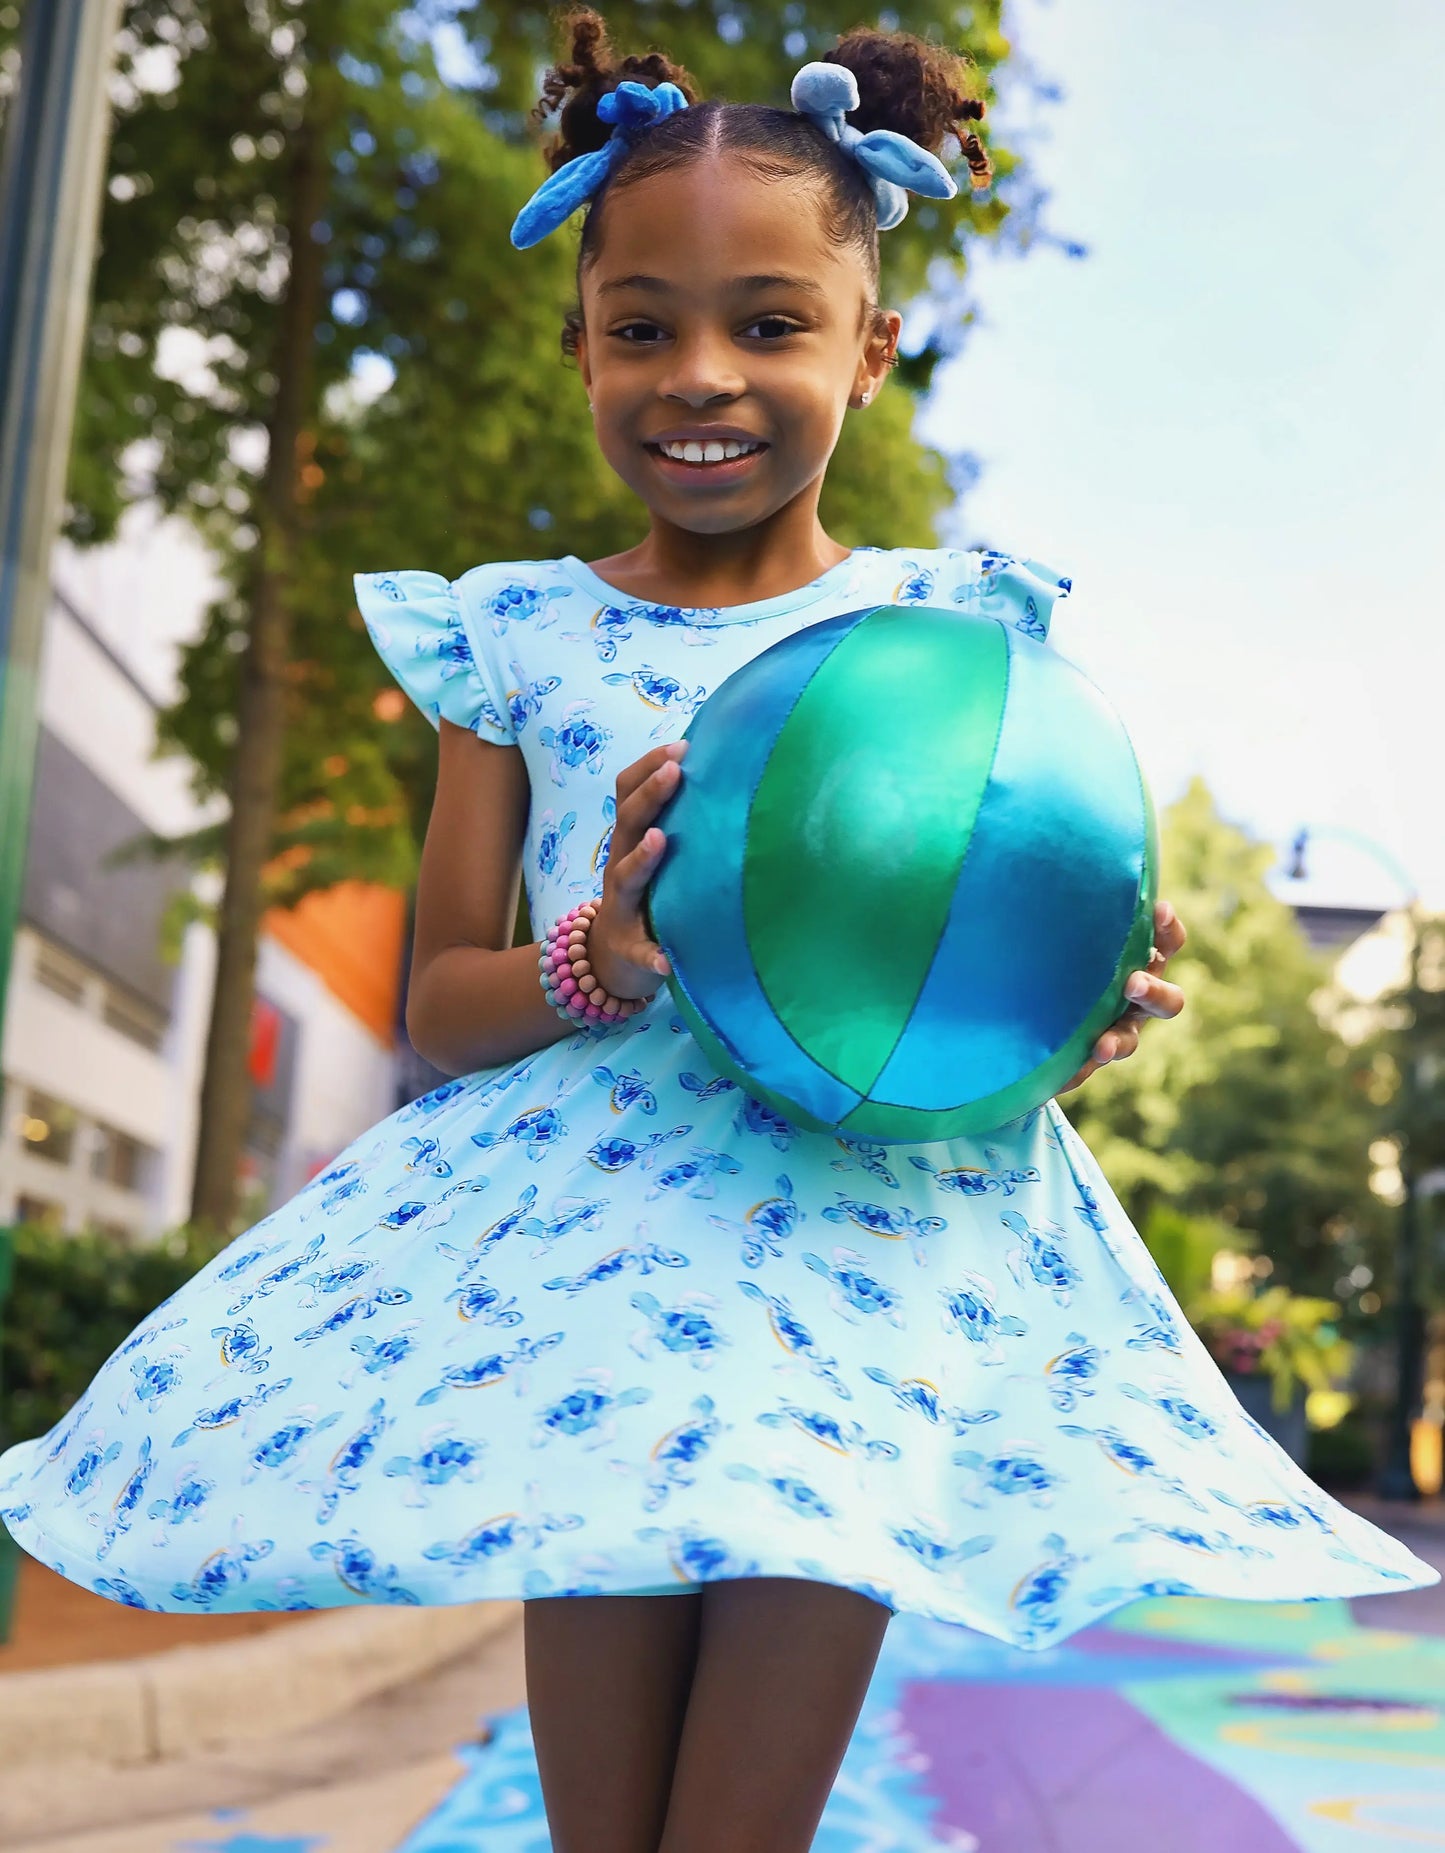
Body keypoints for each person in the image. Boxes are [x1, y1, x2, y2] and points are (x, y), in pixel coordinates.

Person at [1, 12, 1435, 1851]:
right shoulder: (512, 637)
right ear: (582, 343)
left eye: (769, 323)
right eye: (640, 325)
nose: (699, 373)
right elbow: (441, 1006)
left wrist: (1076, 995)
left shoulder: (956, 631)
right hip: (590, 1285)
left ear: (871, 349)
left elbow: (1015, 899)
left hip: (849, 1282)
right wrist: (598, 942)